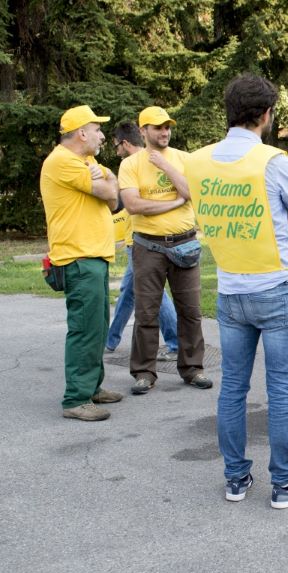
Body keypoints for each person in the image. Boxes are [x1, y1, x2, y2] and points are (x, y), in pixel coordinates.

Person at [184, 73, 288, 509]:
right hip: (278, 286)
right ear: (266, 115)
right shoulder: (272, 161)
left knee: (232, 389)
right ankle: (284, 483)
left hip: (231, 289)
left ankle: (235, 478)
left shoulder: (198, 161)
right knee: (282, 390)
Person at [40, 105, 123, 421]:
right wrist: (108, 182)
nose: (103, 135)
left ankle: (91, 388)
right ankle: (76, 399)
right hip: (77, 258)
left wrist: (110, 180)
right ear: (81, 133)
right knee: (84, 329)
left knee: (97, 327)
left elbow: (114, 201)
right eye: (97, 129)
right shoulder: (63, 161)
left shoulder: (87, 162)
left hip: (94, 257)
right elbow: (106, 190)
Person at [120, 106, 210, 395]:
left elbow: (193, 192)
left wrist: (166, 167)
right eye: (158, 127)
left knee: (191, 311)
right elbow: (134, 205)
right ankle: (144, 373)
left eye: (167, 127)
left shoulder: (183, 159)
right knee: (146, 313)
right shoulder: (130, 164)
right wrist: (174, 202)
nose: (164, 132)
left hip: (184, 244)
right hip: (147, 246)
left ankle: (193, 368)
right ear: (143, 130)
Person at [105, 121, 179, 361]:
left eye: (117, 145)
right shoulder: (135, 164)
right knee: (128, 291)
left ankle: (176, 341)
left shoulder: (136, 165)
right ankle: (110, 341)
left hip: (142, 242)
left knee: (155, 294)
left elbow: (135, 206)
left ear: (125, 143)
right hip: (133, 240)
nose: (116, 150)